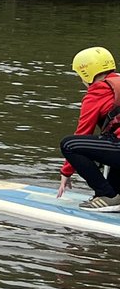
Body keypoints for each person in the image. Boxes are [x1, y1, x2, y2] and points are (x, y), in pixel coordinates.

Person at [57, 47, 120, 211]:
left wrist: (66, 172)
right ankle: (115, 196)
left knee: (69, 144)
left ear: (87, 73)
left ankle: (107, 195)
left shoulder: (97, 92)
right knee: (107, 145)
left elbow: (83, 132)